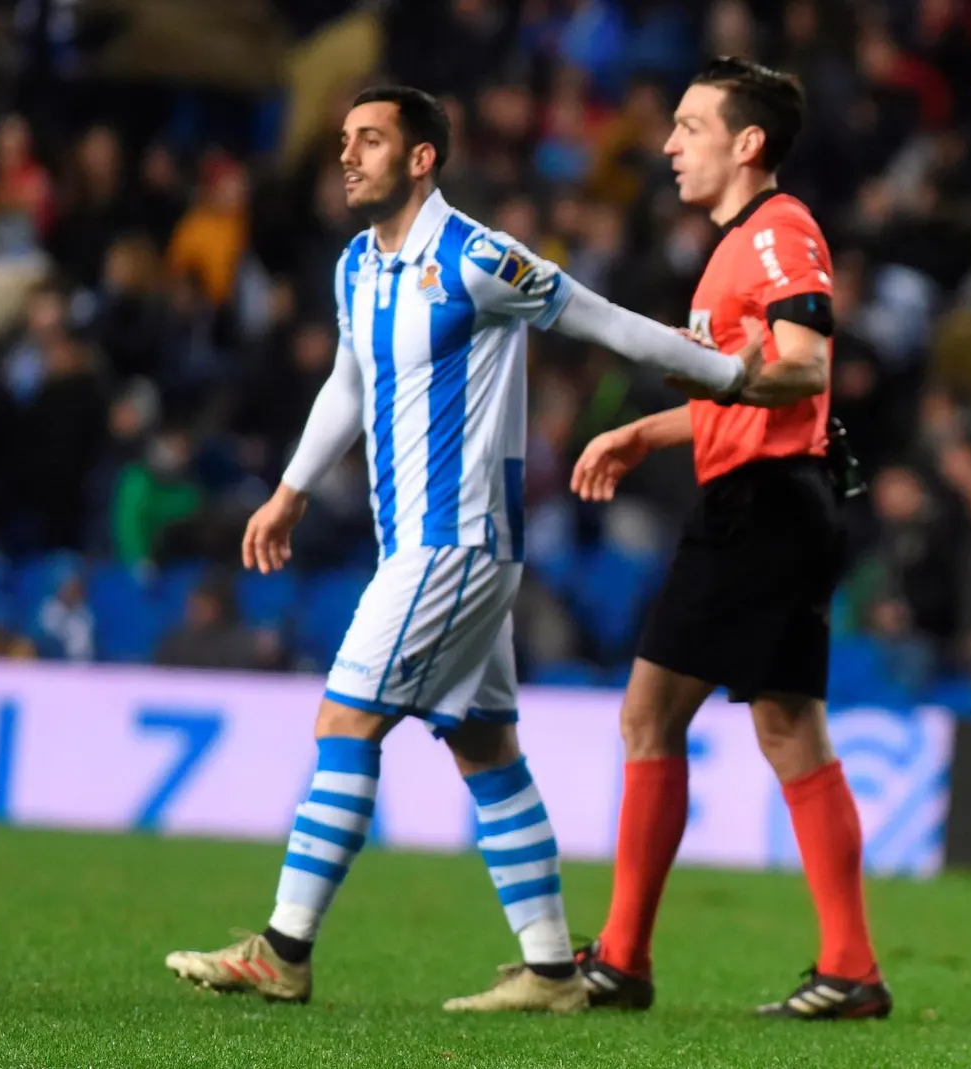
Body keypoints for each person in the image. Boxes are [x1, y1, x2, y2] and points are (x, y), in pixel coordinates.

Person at [163, 84, 758, 1013]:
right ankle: (554, 969)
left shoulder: (478, 257)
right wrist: (287, 493)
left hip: (458, 542)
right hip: (421, 542)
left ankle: (283, 949)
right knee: (486, 748)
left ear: (421, 157)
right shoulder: (358, 263)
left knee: (344, 721)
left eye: (369, 140)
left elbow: (598, 317)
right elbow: (347, 385)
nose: (349, 156)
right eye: (345, 140)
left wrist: (732, 375)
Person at [569, 57, 888, 1020]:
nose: (669, 144)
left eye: (689, 126)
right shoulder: (739, 245)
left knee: (648, 715)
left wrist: (723, 380)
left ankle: (622, 959)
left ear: (748, 144)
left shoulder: (779, 233)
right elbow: (756, 387)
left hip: (761, 508)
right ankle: (851, 967)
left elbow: (800, 370)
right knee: (790, 726)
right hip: (782, 495)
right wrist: (645, 428)